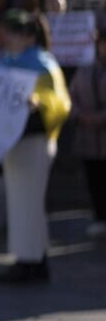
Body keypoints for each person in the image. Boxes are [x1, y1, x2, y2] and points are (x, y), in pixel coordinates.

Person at [0, 11, 71, 283]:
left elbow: (59, 103)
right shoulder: (6, 62)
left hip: (34, 141)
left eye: (13, 33)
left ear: (28, 36)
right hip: (13, 142)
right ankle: (29, 258)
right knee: (19, 204)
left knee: (29, 204)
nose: (7, 38)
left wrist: (37, 103)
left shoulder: (43, 63)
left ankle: (32, 260)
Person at [69, 29, 106, 239]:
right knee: (94, 179)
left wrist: (99, 118)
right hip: (88, 139)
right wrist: (80, 115)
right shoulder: (85, 70)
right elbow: (71, 97)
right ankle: (100, 216)